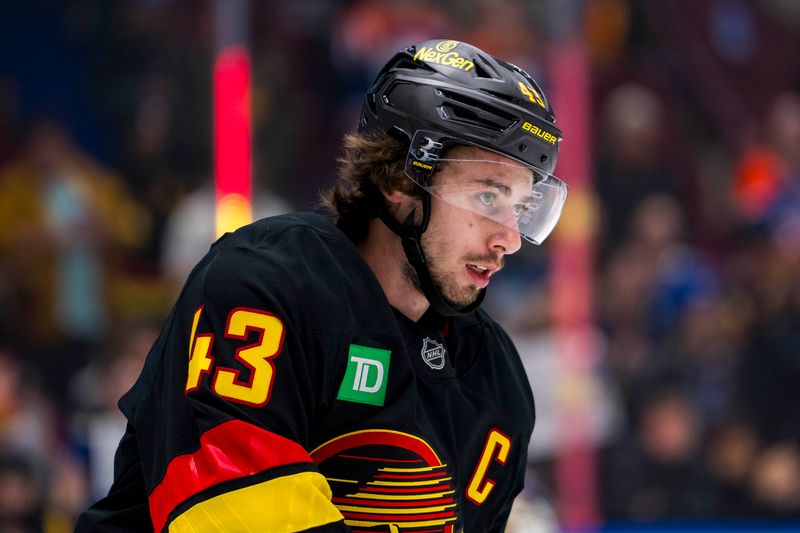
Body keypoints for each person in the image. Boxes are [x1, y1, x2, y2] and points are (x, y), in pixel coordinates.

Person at [75, 38, 567, 532]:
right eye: (487, 195)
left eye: (522, 208)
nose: (509, 238)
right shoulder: (268, 284)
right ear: (399, 178)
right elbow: (236, 514)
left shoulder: (493, 378)